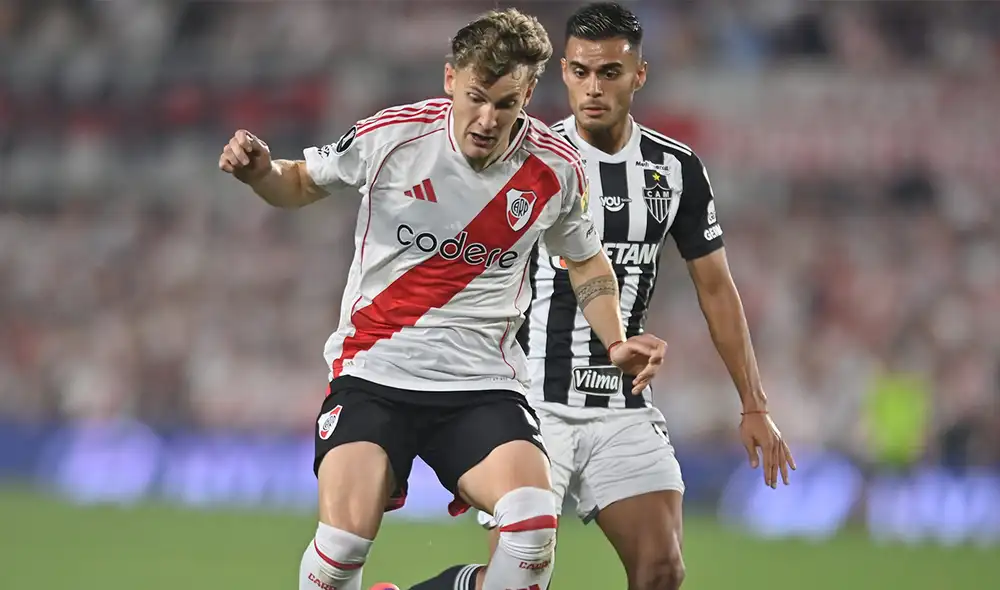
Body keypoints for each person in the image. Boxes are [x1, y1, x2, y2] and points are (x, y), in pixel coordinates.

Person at [218, 8, 668, 590]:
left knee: (531, 533)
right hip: (376, 373)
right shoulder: (393, 137)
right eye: (477, 97)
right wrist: (261, 173)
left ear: (529, 93)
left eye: (506, 104)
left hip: (482, 384)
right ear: (451, 79)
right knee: (337, 556)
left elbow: (584, 259)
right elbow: (300, 181)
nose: (487, 119)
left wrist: (616, 341)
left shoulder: (556, 169)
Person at [408, 4, 795, 590]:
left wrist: (754, 403)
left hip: (621, 403)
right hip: (529, 401)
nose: (593, 87)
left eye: (609, 72)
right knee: (517, 580)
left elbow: (716, 288)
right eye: (581, 71)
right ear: (561, 72)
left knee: (662, 570)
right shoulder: (523, 156)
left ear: (639, 75)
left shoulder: (676, 169)